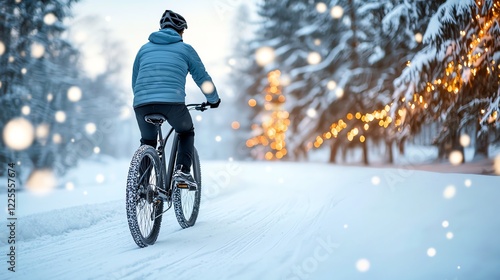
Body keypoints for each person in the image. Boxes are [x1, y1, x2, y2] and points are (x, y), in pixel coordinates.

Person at [132, 10, 220, 189]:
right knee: (186, 131)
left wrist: (145, 98)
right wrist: (213, 99)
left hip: (142, 104)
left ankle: (142, 185)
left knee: (148, 141)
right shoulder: (185, 49)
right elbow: (202, 78)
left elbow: (135, 80)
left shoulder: (143, 49)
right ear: (180, 31)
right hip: (172, 104)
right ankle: (182, 172)